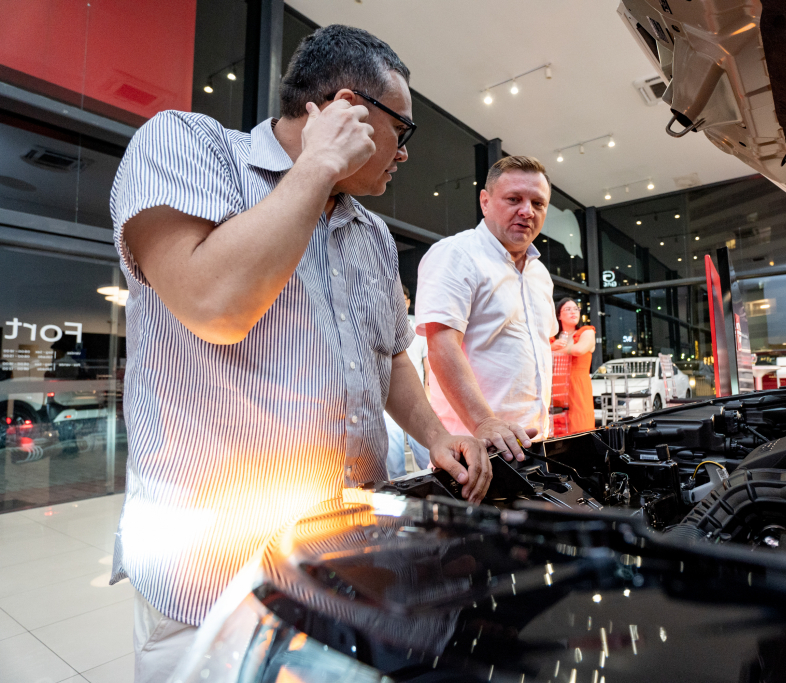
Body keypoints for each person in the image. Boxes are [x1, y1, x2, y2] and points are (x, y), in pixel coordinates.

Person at [107, 25, 488, 683]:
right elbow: (215, 304)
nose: (405, 154)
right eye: (405, 130)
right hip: (214, 584)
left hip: (350, 569)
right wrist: (316, 166)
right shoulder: (187, 145)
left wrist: (435, 433)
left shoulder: (370, 231)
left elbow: (392, 355)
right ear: (347, 109)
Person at [416, 156, 558, 473]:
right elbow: (442, 346)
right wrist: (484, 422)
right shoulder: (456, 254)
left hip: (534, 452)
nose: (527, 211)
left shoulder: (540, 274)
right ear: (485, 201)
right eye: (513, 199)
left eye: (538, 203)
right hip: (473, 455)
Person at [385, 285, 431, 476]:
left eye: (402, 299)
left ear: (408, 302)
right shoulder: (381, 328)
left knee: (427, 456)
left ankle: (434, 496)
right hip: (389, 404)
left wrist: (427, 397)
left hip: (418, 400)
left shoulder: (419, 329)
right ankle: (405, 501)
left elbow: (429, 367)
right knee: (395, 466)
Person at [549, 298, 596, 434]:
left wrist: (552, 349)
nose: (573, 312)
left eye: (576, 309)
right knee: (556, 431)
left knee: (580, 428)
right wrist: (551, 347)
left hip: (578, 388)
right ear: (558, 315)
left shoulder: (587, 332)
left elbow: (578, 350)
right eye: (568, 309)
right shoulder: (552, 339)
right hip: (556, 389)